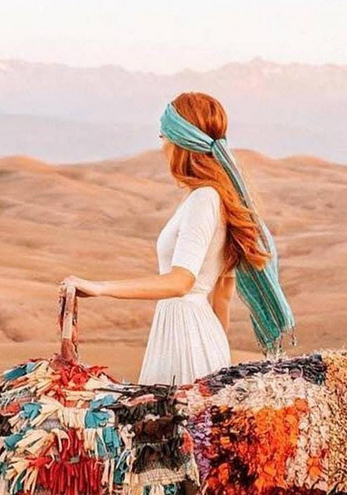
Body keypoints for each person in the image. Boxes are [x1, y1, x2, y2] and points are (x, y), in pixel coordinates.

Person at [60, 92, 295, 385]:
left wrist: (99, 287)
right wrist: (215, 358)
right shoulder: (212, 196)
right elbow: (222, 294)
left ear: (181, 143)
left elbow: (181, 281)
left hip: (185, 336)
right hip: (196, 335)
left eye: (163, 136)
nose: (162, 147)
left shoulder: (204, 199)